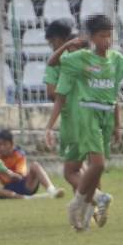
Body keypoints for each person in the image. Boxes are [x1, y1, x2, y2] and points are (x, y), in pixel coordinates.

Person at [49, 14, 123, 231]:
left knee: (95, 170)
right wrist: (66, 46)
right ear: (92, 38)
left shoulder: (115, 59)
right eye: (102, 36)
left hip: (106, 116)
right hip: (88, 115)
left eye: (109, 35)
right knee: (97, 164)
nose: (107, 40)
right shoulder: (82, 58)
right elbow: (53, 64)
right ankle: (77, 203)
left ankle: (85, 216)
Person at [42, 19, 105, 207]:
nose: (52, 47)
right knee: (91, 166)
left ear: (59, 40)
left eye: (52, 42)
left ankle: (98, 198)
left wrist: (68, 93)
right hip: (95, 118)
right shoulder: (90, 60)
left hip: (73, 120)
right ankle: (90, 211)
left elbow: (52, 93)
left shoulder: (62, 62)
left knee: (71, 171)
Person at [0, 128, 62, 200]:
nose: (2, 148)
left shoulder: (19, 155)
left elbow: (20, 177)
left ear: (12, 144)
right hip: (8, 187)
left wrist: (6, 171)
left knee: (35, 165)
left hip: (25, 185)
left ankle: (52, 190)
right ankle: (21, 197)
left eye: (5, 144)